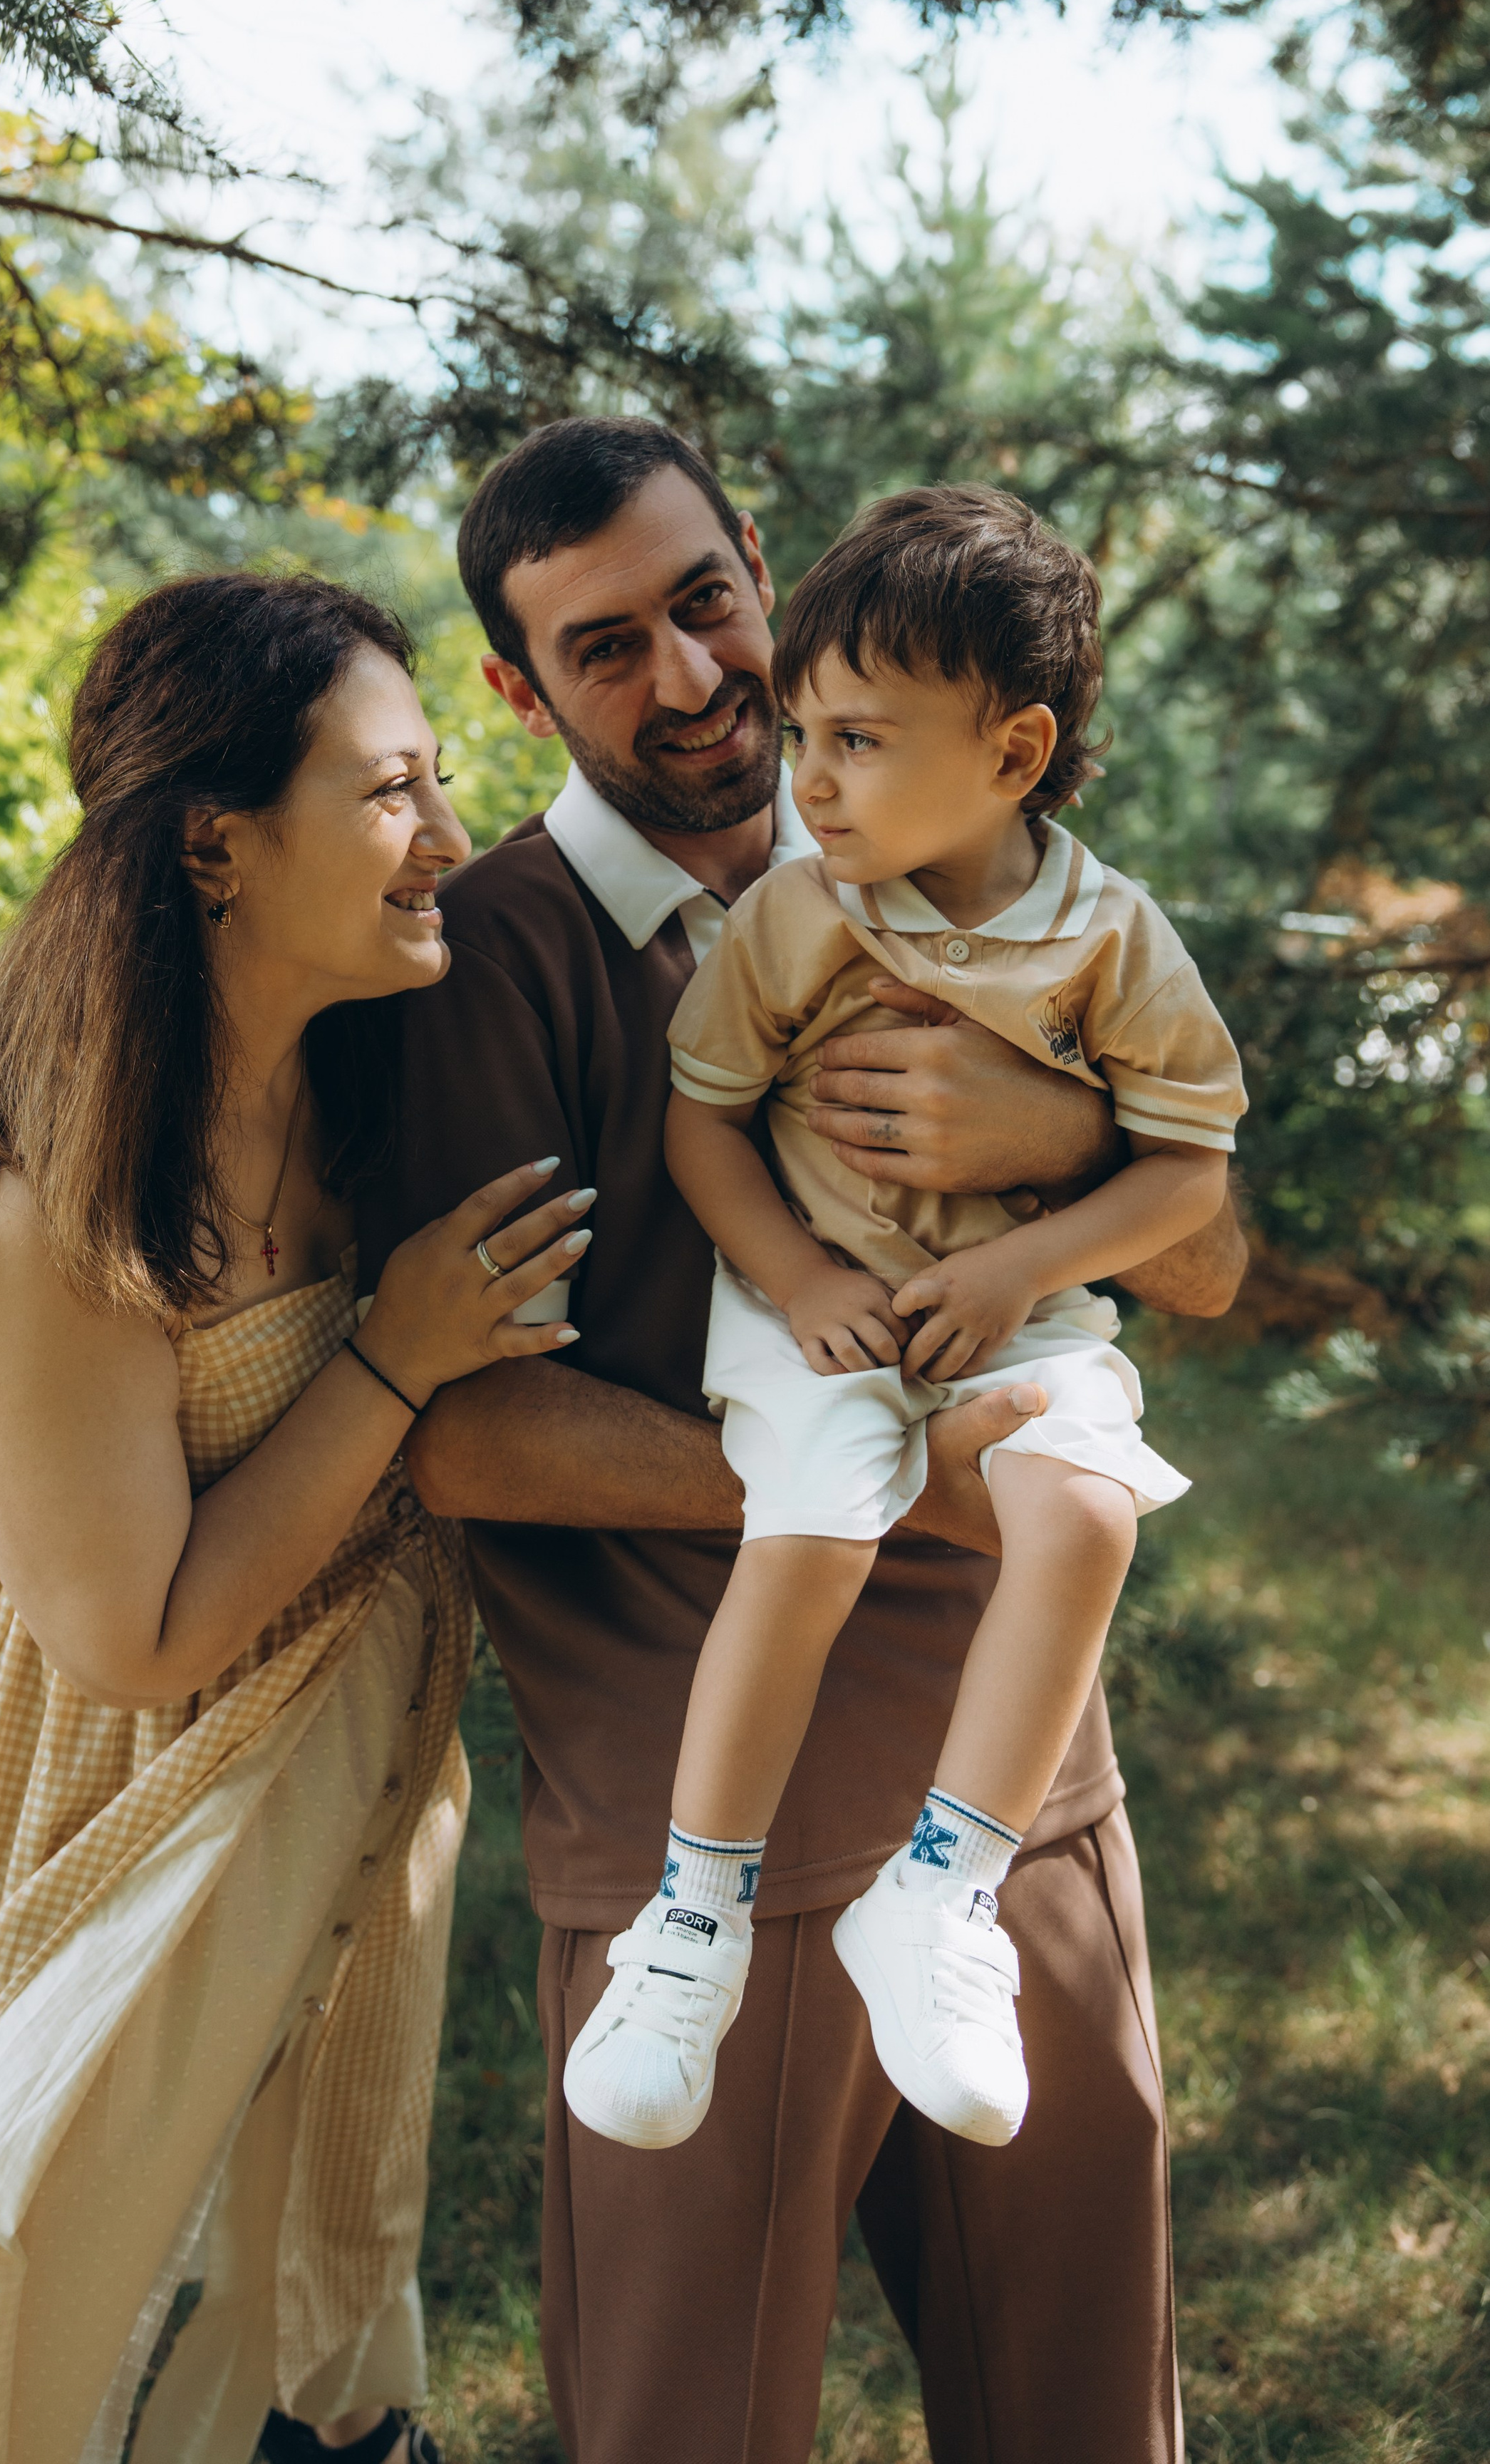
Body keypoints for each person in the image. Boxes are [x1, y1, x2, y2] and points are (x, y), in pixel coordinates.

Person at [358, 418, 1248, 2464]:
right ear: (515, 688)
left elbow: (1196, 1244)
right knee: (692, 2430)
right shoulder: (489, 960)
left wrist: (1057, 1144)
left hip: (1014, 1805)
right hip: (707, 1849)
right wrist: (844, 1486)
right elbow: (462, 1432)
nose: (688, 676)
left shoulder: (967, 849)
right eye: (603, 647)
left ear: (761, 568)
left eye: (705, 602)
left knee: (1090, 2415)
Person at [0, 573, 595, 2464]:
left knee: (285, 2266)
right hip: (58, 1766)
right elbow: (133, 1632)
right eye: (392, 794)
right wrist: (394, 1356)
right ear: (218, 846)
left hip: (314, 1757)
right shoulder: (53, 1170)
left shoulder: (379, 1071)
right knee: (2, 2215)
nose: (448, 838)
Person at [564, 485, 1244, 2160]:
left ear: (1012, 754)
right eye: (802, 730)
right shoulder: (803, 915)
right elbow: (699, 1122)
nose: (807, 779)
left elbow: (1185, 1180)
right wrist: (797, 1282)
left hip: (1016, 1328)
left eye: (856, 741)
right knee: (808, 1539)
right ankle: (689, 1924)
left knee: (1084, 1509)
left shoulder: (1106, 938)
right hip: (822, 1320)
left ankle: (943, 1893)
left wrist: (1022, 1270)